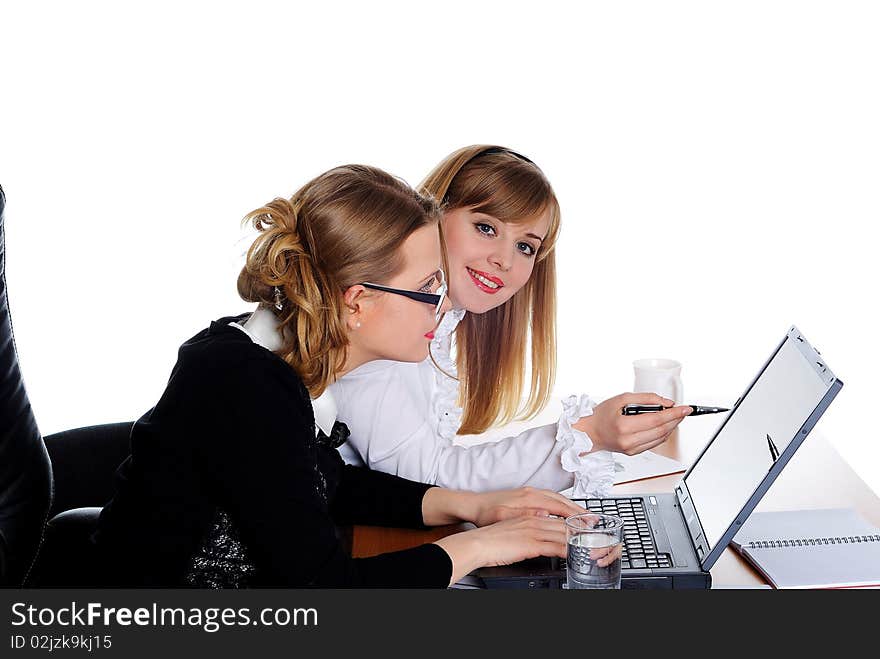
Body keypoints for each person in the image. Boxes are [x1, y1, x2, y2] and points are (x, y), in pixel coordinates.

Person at [93, 164, 584, 588]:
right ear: (358, 302)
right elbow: (326, 591)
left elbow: (326, 483)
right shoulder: (247, 386)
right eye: (426, 286)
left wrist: (473, 507)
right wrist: (480, 548)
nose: (442, 302)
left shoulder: (276, 362)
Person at [331, 146, 692, 497]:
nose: (504, 260)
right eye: (486, 228)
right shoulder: (381, 323)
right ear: (433, 214)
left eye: (525, 247)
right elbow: (425, 478)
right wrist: (589, 433)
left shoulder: (435, 323)